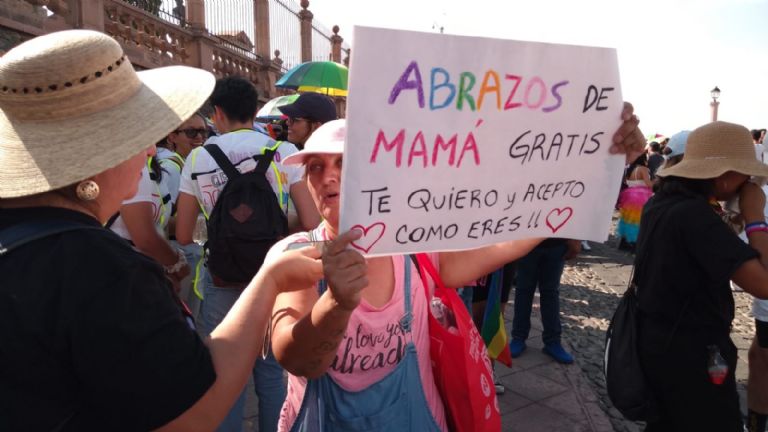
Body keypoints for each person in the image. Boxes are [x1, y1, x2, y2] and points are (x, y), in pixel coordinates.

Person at [0, 29, 322, 431]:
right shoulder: (104, 273)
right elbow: (193, 412)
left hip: (219, 277)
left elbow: (183, 234)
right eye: (139, 136)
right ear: (96, 160)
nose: (151, 149)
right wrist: (270, 279)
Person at [268, 103, 645, 431]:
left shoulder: (413, 250)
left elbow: (513, 236)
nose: (327, 175)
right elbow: (296, 358)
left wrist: (601, 162)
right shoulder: (294, 254)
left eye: (343, 162)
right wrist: (336, 302)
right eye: (315, 166)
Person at [175, 76, 320, 432]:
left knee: (223, 374)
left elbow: (182, 233)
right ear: (256, 111)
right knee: (272, 375)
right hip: (275, 275)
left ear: (218, 112)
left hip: (222, 278)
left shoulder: (197, 157)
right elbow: (311, 221)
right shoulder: (284, 153)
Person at [637, 121, 768, 431]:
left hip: (658, 342)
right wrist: (755, 217)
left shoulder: (662, 203)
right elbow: (764, 284)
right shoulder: (696, 217)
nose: (748, 181)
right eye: (743, 173)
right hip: (692, 354)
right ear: (723, 179)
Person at [509, 238, 581, 363]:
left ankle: (552, 341)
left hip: (558, 243)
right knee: (523, 291)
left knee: (550, 293)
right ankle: (518, 337)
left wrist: (575, 239)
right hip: (527, 242)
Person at [617, 153, 653, 251]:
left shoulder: (629, 168)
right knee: (638, 221)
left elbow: (625, 181)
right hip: (641, 196)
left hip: (629, 196)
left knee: (628, 219)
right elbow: (648, 183)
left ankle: (624, 243)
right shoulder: (643, 169)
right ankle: (634, 243)